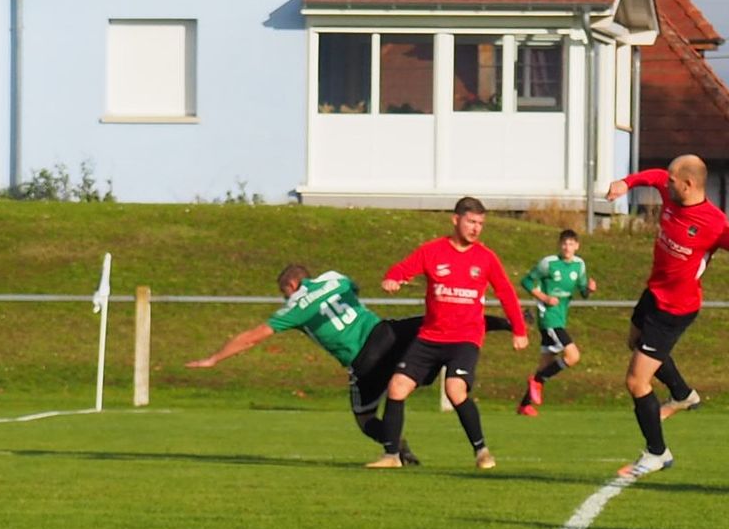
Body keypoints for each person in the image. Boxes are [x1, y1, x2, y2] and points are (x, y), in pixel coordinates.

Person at [186, 265, 515, 464]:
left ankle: (396, 446)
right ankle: (506, 323)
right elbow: (353, 287)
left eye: (285, 293)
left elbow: (252, 337)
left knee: (365, 418)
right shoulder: (334, 278)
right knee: (440, 322)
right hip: (384, 333)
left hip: (363, 359)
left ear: (291, 286)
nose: (286, 298)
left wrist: (214, 358)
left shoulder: (295, 306)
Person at [604, 155, 729, 479]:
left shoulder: (714, 223)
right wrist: (627, 182)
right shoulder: (671, 193)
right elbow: (654, 175)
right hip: (654, 293)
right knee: (634, 341)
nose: (665, 184)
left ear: (688, 184)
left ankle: (657, 453)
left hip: (675, 309)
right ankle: (682, 394)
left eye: (671, 181)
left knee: (636, 381)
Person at [373, 197, 528, 470]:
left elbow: (506, 292)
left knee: (455, 389)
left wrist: (519, 329)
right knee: (397, 387)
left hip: (465, 338)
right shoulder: (432, 251)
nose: (476, 228)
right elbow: (403, 268)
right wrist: (393, 278)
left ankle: (482, 452)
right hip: (430, 337)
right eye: (471, 221)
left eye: (480, 223)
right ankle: (392, 456)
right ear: (455, 220)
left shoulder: (485, 258)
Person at [517, 229, 596, 416]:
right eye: (564, 244)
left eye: (571, 244)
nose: (567, 248)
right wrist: (544, 297)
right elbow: (526, 282)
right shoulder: (549, 263)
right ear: (559, 245)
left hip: (561, 316)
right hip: (549, 317)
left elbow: (583, 291)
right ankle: (537, 381)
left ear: (577, 246)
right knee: (573, 356)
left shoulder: (579, 265)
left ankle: (525, 405)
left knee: (545, 364)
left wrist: (589, 290)